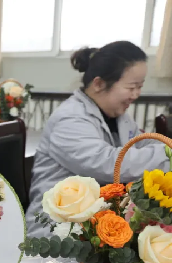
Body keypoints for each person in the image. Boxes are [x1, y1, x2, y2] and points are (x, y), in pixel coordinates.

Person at [26, 41, 168, 236]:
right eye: (132, 87)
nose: (136, 94)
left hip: (96, 226)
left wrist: (166, 148)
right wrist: (167, 154)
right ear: (99, 84)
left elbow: (143, 142)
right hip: (56, 233)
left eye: (140, 86)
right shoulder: (69, 119)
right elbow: (110, 164)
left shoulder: (119, 116)